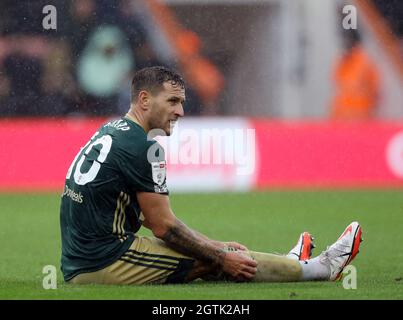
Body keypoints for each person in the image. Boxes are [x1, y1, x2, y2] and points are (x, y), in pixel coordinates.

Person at [60, 66, 363, 285]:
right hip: (103, 261)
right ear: (144, 100)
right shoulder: (144, 148)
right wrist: (219, 253)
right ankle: (320, 269)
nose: (180, 112)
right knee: (215, 260)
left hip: (85, 255)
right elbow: (164, 228)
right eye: (172, 102)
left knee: (215, 254)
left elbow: (160, 226)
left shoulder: (111, 129)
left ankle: (291, 263)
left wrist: (216, 246)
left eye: (182, 103)